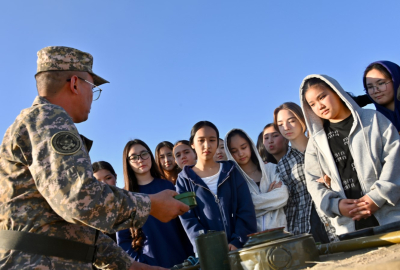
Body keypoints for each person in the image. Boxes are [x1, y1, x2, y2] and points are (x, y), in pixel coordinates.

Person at [0, 46, 188, 270]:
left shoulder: (38, 122)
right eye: (93, 87)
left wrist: (134, 267)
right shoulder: (50, 118)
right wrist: (150, 205)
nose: (93, 96)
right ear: (75, 84)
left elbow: (70, 226)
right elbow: (79, 199)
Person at [300, 74, 400, 235]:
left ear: (337, 92)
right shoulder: (316, 142)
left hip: (391, 219)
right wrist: (336, 206)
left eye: (322, 97)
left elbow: (395, 159)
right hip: (349, 229)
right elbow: (313, 181)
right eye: (312, 104)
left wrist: (377, 197)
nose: (319, 105)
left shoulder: (373, 120)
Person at [176, 121, 257, 252]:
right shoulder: (184, 179)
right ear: (192, 144)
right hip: (209, 253)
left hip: (240, 249)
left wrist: (238, 241)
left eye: (212, 140)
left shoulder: (230, 170)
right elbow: (188, 219)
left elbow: (246, 207)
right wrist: (210, 245)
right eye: (201, 140)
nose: (207, 145)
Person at [117, 140, 193, 268]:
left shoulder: (167, 186)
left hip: (181, 261)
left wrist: (190, 257)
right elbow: (123, 241)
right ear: (128, 163)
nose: (140, 160)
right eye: (134, 157)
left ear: (150, 156)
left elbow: (183, 227)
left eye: (144, 154)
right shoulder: (124, 197)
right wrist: (142, 264)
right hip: (150, 265)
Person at [274, 102, 335, 243]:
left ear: (303, 119)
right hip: (302, 226)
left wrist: (331, 179)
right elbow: (289, 202)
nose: (286, 127)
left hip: (332, 215)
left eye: (291, 121)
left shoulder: (323, 148)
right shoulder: (283, 163)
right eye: (280, 124)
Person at [225, 129, 288, 231]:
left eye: (243, 147)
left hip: (280, 233)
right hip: (252, 238)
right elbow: (237, 208)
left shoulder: (271, 169)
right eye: (234, 151)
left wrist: (252, 203)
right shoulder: (232, 180)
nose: (240, 153)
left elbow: (283, 195)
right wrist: (270, 196)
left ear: (250, 145)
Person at [363, 61, 400, 132]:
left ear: (396, 80)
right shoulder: (373, 126)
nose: (376, 90)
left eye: (381, 83)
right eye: (370, 87)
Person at [92, 161, 118, 242]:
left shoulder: (130, 203)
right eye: (97, 181)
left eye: (108, 178)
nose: (103, 184)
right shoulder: (87, 211)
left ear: (115, 177)